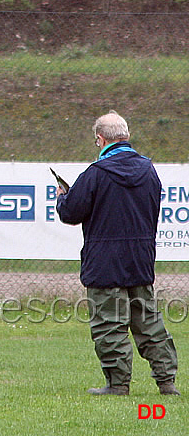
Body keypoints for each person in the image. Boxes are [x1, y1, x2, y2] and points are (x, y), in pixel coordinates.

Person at [56, 111, 179, 396]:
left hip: (104, 262)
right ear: (126, 136)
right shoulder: (148, 170)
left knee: (109, 324)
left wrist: (63, 197)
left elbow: (71, 213)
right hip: (140, 259)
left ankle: (118, 384)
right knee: (148, 321)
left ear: (100, 139)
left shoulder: (96, 173)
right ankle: (166, 381)